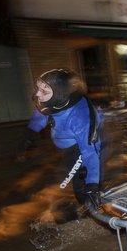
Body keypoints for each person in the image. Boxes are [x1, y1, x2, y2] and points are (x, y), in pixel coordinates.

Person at [18, 69, 103, 209]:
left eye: (44, 91)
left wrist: (92, 185)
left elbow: (90, 152)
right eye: (38, 88)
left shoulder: (80, 117)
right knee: (58, 186)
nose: (38, 94)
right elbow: (42, 114)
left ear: (59, 93)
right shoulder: (54, 101)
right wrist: (29, 135)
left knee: (78, 188)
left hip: (82, 148)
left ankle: (93, 208)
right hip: (65, 147)